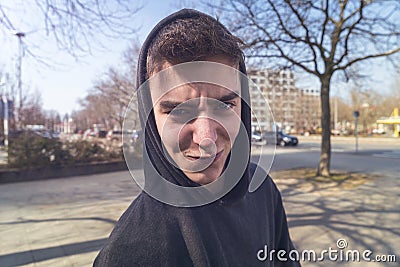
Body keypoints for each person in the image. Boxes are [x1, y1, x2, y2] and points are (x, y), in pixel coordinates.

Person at [94, 9, 300, 266]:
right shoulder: (129, 252)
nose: (206, 138)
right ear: (150, 119)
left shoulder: (264, 191)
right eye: (178, 111)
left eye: (224, 106)